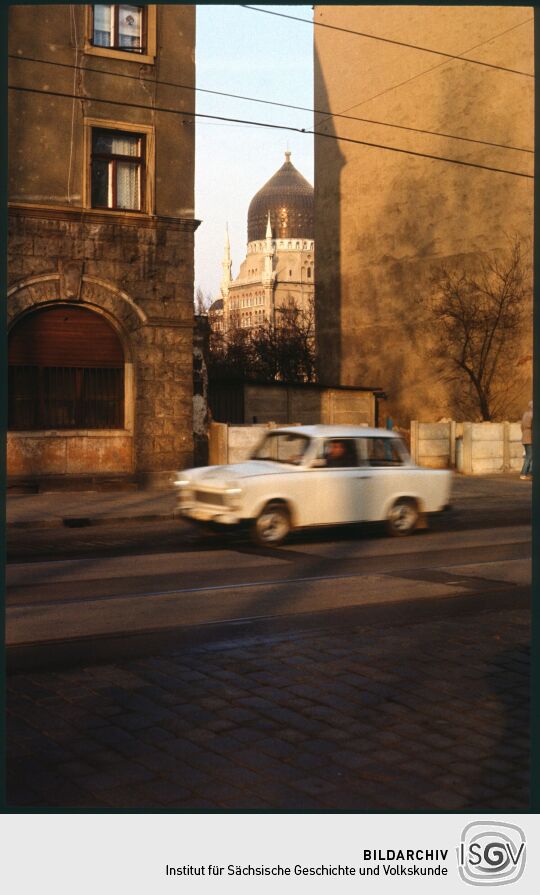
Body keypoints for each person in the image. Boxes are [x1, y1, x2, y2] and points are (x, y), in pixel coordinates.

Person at [520, 400, 533, 480]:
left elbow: (521, 426)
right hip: (530, 437)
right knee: (529, 456)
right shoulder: (533, 415)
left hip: (525, 436)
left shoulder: (525, 414)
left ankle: (528, 473)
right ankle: (524, 473)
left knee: (529, 455)